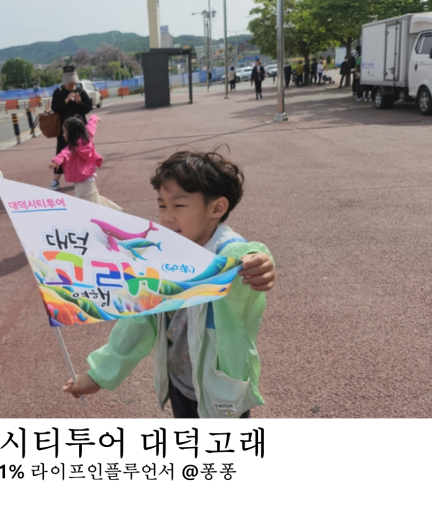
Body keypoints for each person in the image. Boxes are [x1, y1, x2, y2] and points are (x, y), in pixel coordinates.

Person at [62, 150, 277, 420]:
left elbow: (252, 256)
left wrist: (262, 264)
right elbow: (140, 320)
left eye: (179, 206)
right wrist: (99, 374)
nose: (166, 217)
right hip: (179, 383)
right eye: (162, 205)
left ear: (217, 208)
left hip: (222, 389)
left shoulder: (228, 254)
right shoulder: (161, 256)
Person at [48, 115, 121, 211]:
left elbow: (64, 153)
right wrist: (94, 118)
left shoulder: (73, 147)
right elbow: (90, 126)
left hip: (82, 180)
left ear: (72, 134)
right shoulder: (87, 136)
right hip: (89, 177)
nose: (63, 135)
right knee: (94, 200)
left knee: (84, 205)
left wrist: (57, 161)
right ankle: (110, 212)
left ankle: (107, 215)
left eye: (65, 132)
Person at [50, 66, 93, 191]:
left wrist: (79, 102)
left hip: (80, 128)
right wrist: (66, 101)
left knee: (81, 152)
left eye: (73, 82)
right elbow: (55, 108)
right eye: (69, 82)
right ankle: (55, 181)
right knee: (61, 152)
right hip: (65, 130)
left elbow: (87, 109)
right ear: (64, 81)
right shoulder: (58, 92)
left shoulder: (81, 91)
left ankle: (80, 177)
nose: (71, 84)